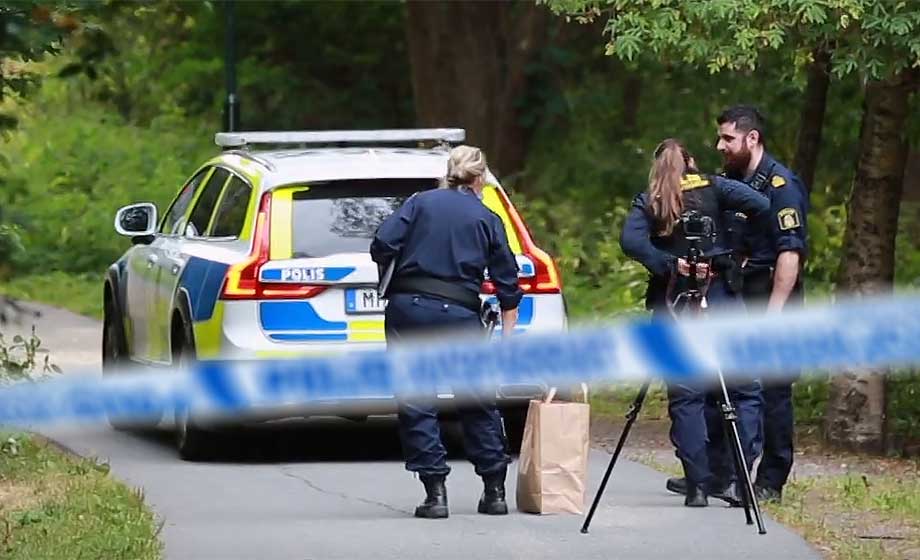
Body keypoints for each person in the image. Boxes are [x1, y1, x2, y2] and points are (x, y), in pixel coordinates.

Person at [369, 145, 522, 519]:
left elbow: (382, 243)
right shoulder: (487, 217)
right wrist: (505, 337)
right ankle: (494, 492)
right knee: (476, 400)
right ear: (480, 177)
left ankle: (435, 494)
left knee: (418, 400)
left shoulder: (420, 203)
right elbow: (507, 282)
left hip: (411, 311)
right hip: (460, 315)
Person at [620, 138, 770, 507]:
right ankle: (738, 480)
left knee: (686, 396)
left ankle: (698, 486)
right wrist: (733, 241)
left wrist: (667, 264)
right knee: (743, 389)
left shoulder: (651, 200)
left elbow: (630, 241)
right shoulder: (716, 186)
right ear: (691, 163)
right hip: (720, 298)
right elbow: (762, 204)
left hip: (675, 303)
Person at [716, 105, 809, 503]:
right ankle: (730, 473)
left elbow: (790, 253)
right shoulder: (729, 181)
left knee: (773, 391)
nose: (720, 146)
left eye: (728, 139)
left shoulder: (780, 185)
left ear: (751, 138)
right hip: (739, 295)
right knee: (737, 386)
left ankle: (770, 480)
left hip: (774, 297)